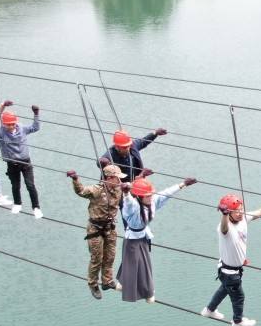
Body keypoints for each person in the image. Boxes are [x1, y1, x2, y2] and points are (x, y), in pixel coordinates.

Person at [201, 193, 261, 326]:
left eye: (241, 209)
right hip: (230, 272)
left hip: (228, 269)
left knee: (224, 289)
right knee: (238, 297)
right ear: (228, 213)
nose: (239, 213)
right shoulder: (224, 226)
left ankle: (209, 310)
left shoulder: (243, 218)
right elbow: (225, 229)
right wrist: (224, 215)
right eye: (235, 211)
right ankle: (238, 321)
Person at [117, 175, 198, 303]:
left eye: (150, 195)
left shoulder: (153, 201)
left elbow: (166, 193)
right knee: (141, 267)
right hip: (132, 240)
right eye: (147, 196)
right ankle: (148, 293)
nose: (150, 197)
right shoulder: (133, 206)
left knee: (133, 263)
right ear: (139, 196)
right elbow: (127, 203)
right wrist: (126, 193)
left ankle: (122, 282)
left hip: (142, 236)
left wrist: (183, 184)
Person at [67, 165, 125, 300]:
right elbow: (81, 191)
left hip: (109, 228)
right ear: (109, 178)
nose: (120, 181)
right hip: (95, 229)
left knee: (110, 256)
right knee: (97, 258)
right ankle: (93, 283)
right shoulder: (97, 190)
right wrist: (75, 179)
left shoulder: (118, 189)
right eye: (117, 178)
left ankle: (107, 280)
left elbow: (131, 188)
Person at [0, 105, 42, 218]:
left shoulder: (22, 128)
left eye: (13, 123)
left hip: (26, 163)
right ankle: (17, 204)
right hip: (12, 164)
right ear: (3, 124)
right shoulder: (0, 132)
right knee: (15, 186)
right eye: (8, 124)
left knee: (30, 185)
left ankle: (36, 207)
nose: (11, 126)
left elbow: (35, 128)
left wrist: (36, 114)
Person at [99, 128, 168, 182]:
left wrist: (155, 133)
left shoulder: (133, 146)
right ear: (117, 147)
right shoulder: (111, 154)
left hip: (135, 182)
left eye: (129, 145)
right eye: (125, 147)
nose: (128, 148)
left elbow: (144, 141)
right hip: (120, 187)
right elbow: (101, 161)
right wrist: (103, 162)